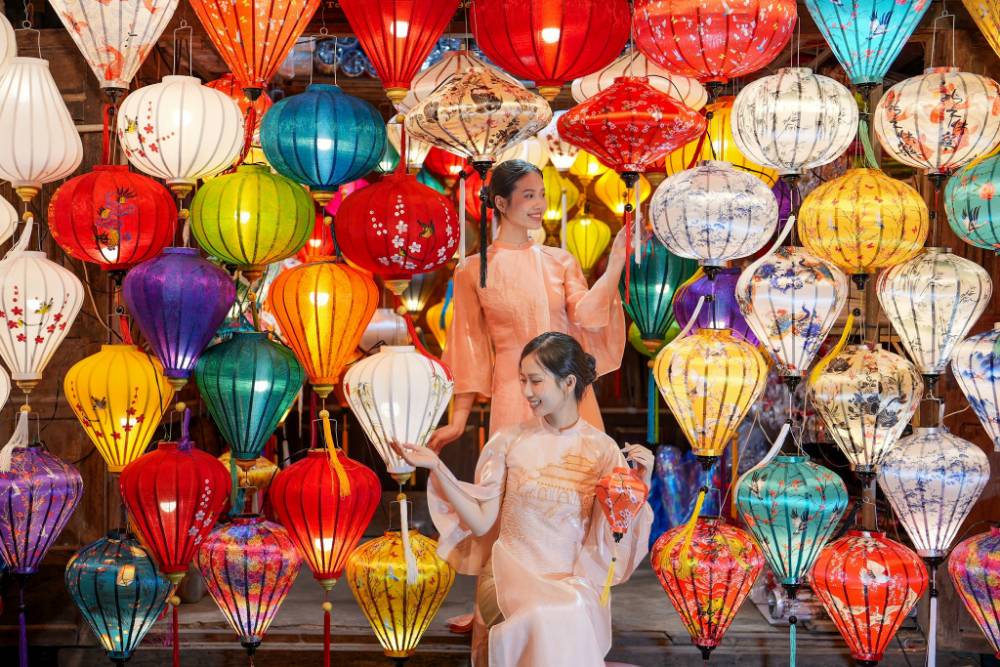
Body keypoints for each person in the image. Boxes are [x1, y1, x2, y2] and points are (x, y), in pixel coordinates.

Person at [393, 332, 653, 667]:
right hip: (507, 577)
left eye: (535, 381)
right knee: (543, 614)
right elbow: (481, 521)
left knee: (561, 610)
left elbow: (612, 536)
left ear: (568, 382)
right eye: (522, 381)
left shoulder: (602, 450)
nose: (526, 392)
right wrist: (437, 467)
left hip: (573, 584)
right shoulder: (508, 441)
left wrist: (636, 487)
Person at [427, 159, 626, 452]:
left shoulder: (560, 261)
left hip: (568, 392)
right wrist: (457, 422)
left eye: (542, 194)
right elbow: (468, 346)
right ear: (501, 203)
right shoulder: (470, 270)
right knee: (520, 484)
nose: (540, 204)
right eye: (529, 195)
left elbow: (588, 317)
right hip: (514, 390)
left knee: (577, 483)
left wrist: (615, 266)